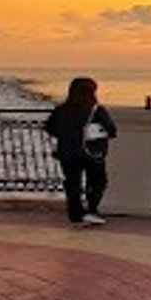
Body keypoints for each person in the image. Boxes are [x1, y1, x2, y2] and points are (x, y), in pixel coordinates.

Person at [44, 77, 117, 227]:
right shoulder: (96, 110)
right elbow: (112, 130)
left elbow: (50, 128)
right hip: (91, 153)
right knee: (97, 182)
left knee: (72, 184)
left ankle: (75, 214)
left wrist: (67, 136)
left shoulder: (61, 110)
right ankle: (91, 210)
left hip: (67, 153)